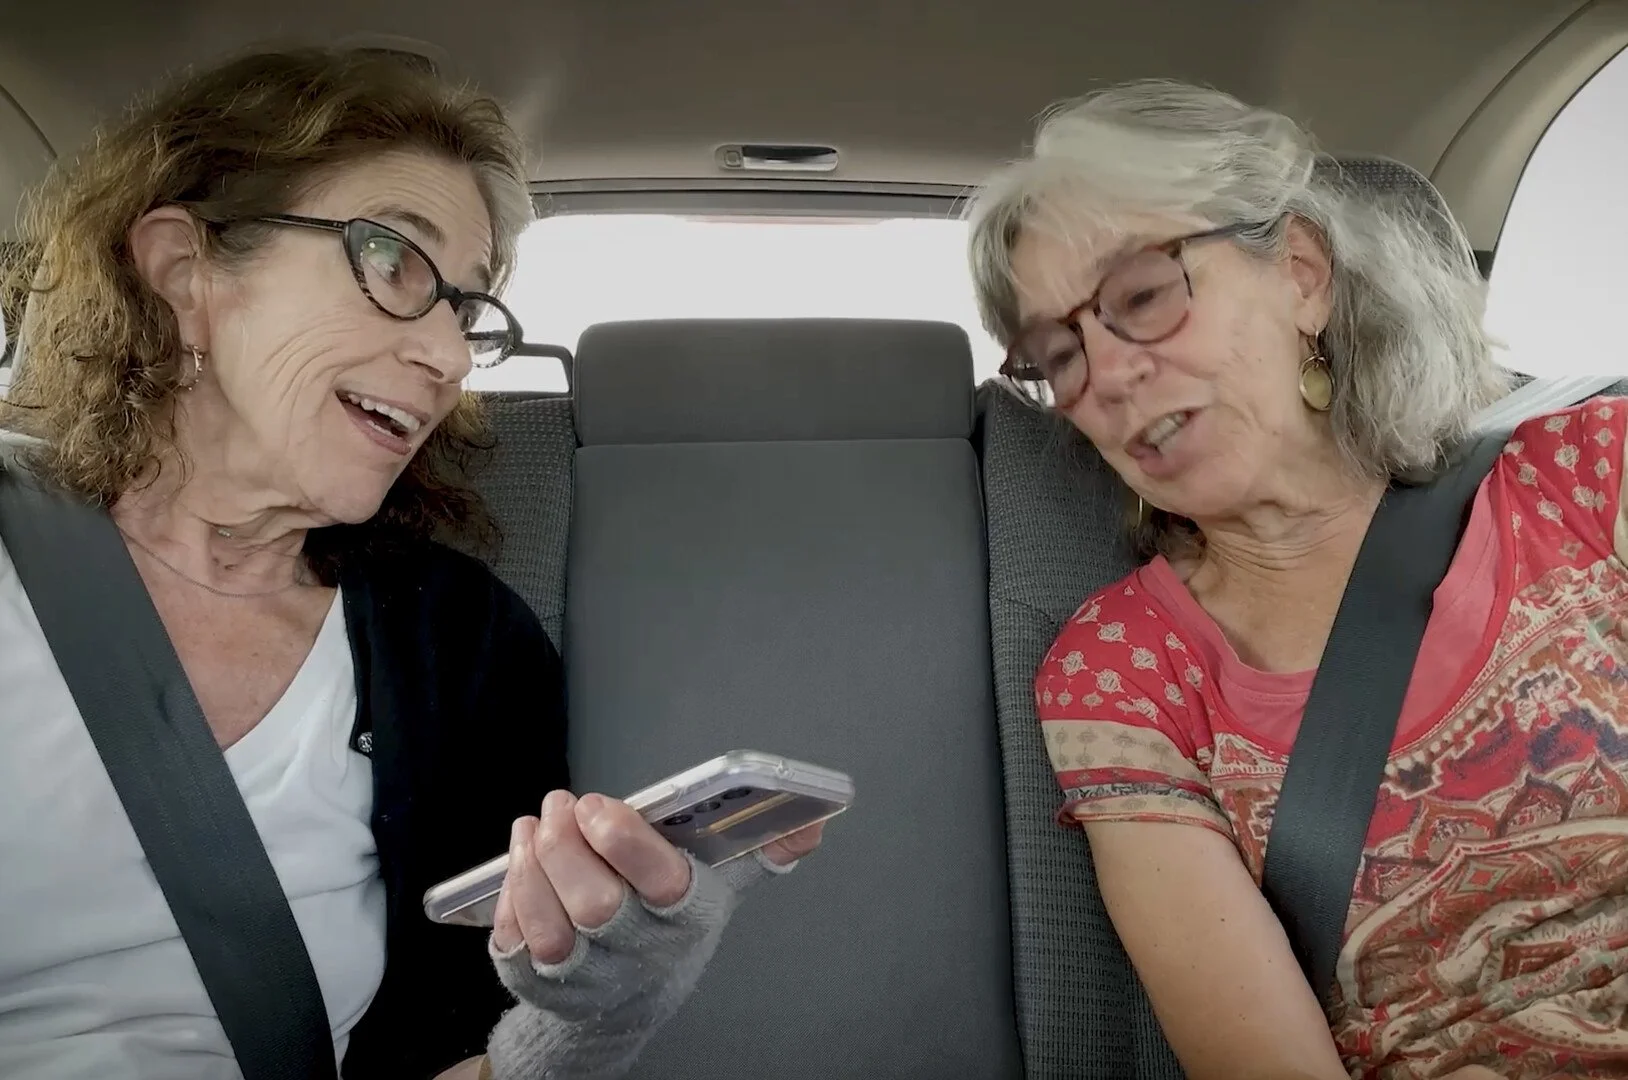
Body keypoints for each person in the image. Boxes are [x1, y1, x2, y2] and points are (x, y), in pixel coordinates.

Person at [0, 47, 823, 1080]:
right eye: (393, 261)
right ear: (185, 275)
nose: (446, 357)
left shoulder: (459, 643)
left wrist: (595, 1009)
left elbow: (457, 1053)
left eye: (466, 310)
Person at [968, 78, 1628, 1080]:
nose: (1103, 374)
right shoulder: (1122, 676)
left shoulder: (1589, 467)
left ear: (1302, 275)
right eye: (1057, 353)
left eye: (1141, 296)